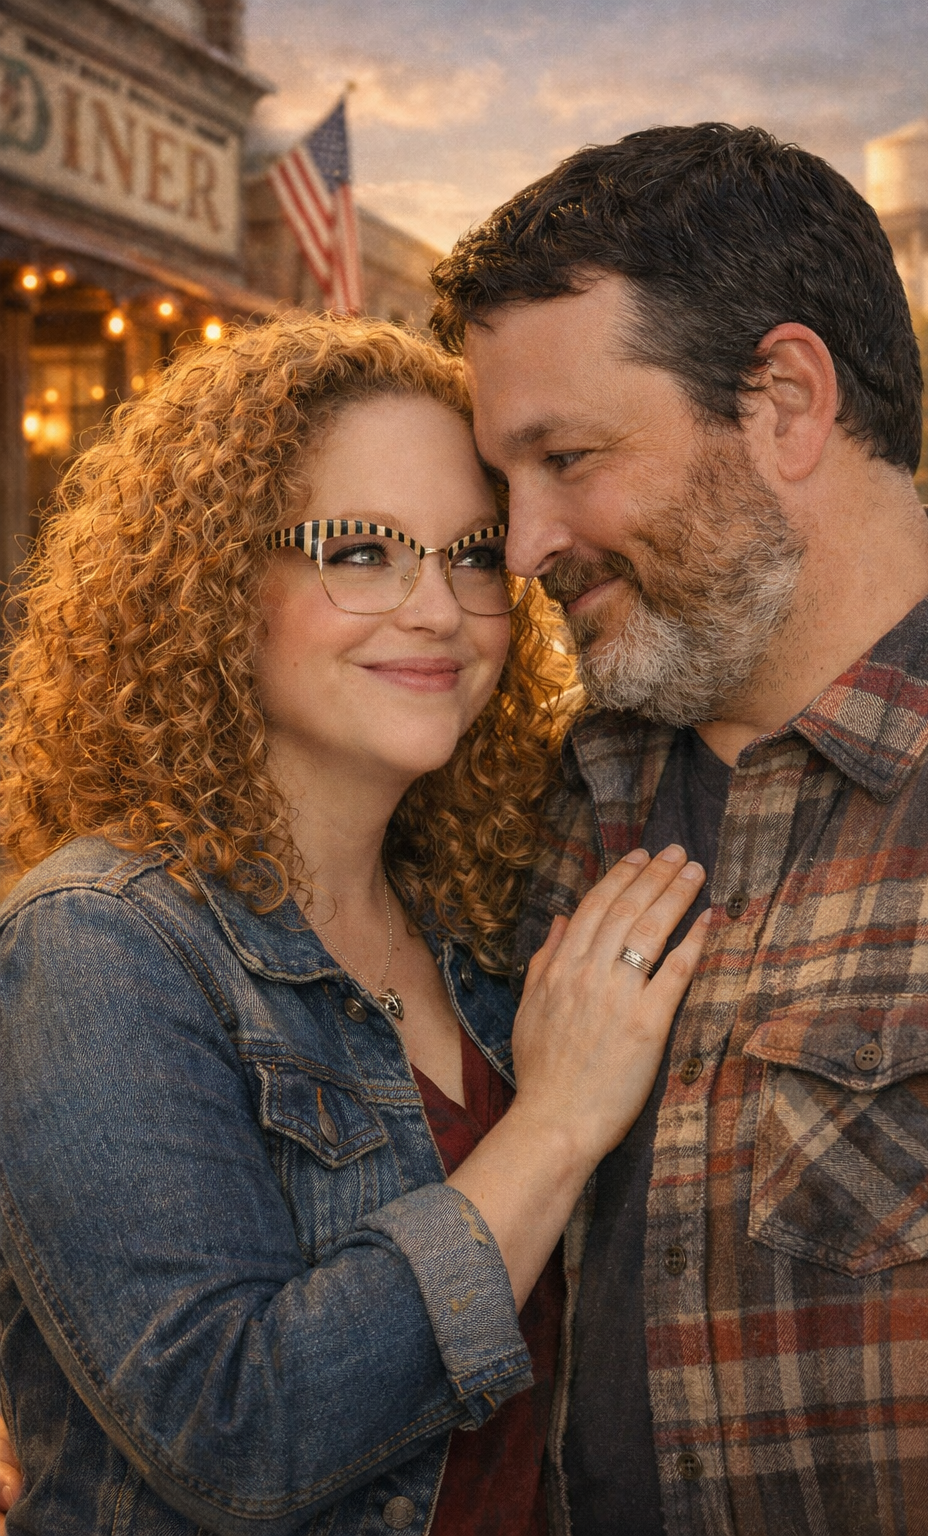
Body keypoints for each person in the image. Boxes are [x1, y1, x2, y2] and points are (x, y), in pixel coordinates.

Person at [0, 314, 711, 1536]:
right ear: (218, 583)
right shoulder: (97, 945)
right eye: (362, 551)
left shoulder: (482, 921)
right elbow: (236, 1434)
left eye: (473, 555)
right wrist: (554, 1125)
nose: (437, 609)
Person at [429, 123, 928, 1536]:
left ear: (784, 400)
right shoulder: (543, 802)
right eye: (503, 485)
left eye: (568, 457)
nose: (521, 551)